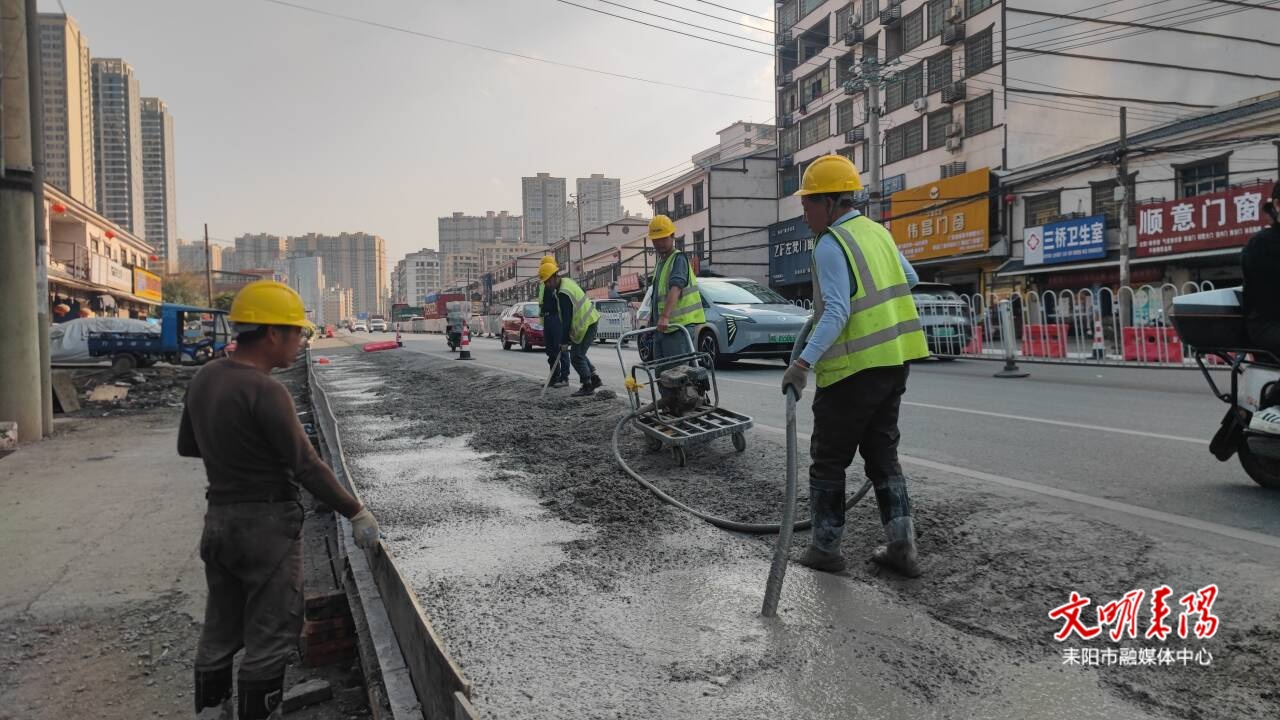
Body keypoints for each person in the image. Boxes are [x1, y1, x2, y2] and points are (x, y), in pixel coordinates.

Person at [179, 280, 381, 720]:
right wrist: (356, 512)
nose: (302, 341)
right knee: (269, 641)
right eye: (297, 333)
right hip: (266, 529)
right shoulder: (267, 391)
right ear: (272, 333)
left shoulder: (205, 378)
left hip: (219, 523)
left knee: (218, 633)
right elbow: (306, 466)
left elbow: (189, 446)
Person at [781, 154, 930, 578]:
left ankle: (825, 550)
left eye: (808, 203)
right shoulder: (876, 232)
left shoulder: (831, 243)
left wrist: (803, 363)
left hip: (851, 371)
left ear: (830, 202)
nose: (804, 211)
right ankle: (903, 547)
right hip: (893, 363)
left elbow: (837, 313)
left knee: (828, 459)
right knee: (884, 457)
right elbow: (910, 278)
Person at [540, 258, 603, 397]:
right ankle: (594, 378)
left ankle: (587, 385)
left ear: (555, 277)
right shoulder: (566, 282)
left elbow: (567, 319)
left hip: (587, 323)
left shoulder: (563, 293)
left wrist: (563, 341)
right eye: (545, 282)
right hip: (589, 321)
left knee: (576, 356)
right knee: (579, 353)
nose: (547, 285)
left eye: (548, 281)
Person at [647, 214, 706, 361]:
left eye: (663, 238)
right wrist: (653, 320)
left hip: (678, 328)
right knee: (662, 373)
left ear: (672, 236)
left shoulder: (678, 259)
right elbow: (657, 296)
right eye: (656, 240)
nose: (659, 243)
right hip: (663, 328)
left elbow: (676, 287)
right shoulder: (661, 263)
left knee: (677, 373)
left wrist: (665, 316)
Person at [536, 256, 571, 388]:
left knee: (561, 348)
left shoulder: (558, 283)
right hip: (547, 318)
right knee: (550, 350)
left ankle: (564, 377)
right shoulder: (543, 284)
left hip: (557, 318)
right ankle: (553, 376)